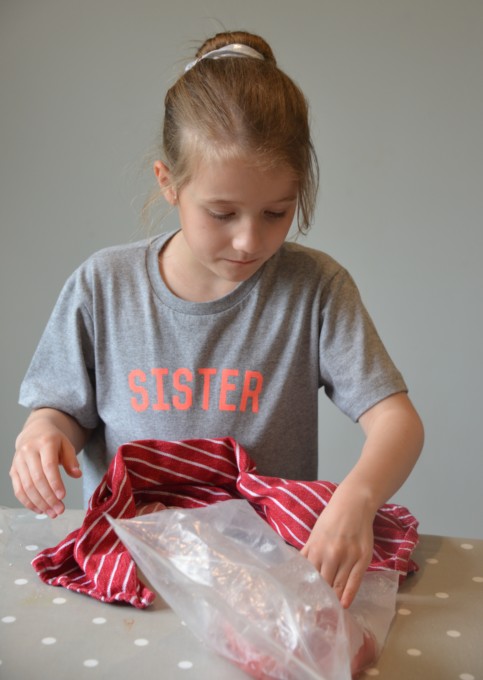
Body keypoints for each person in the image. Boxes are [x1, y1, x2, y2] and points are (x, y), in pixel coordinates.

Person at [10, 30, 424, 609]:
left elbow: (398, 423)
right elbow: (61, 413)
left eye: (276, 212)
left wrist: (356, 499)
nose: (250, 239)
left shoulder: (314, 289)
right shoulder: (103, 285)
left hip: (262, 581)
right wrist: (43, 433)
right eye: (222, 213)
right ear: (169, 184)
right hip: (136, 573)